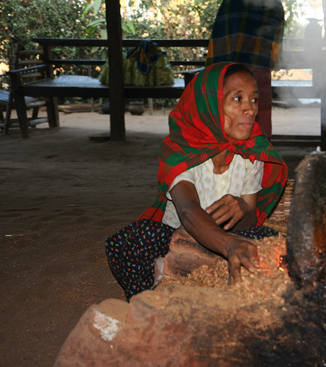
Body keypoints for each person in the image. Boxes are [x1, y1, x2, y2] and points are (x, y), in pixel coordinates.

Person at [105, 62, 289, 300]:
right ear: (209, 105)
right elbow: (189, 211)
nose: (250, 110)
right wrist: (229, 246)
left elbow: (250, 224)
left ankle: (190, 274)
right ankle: (162, 285)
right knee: (136, 237)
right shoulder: (181, 151)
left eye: (254, 100)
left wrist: (243, 209)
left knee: (277, 245)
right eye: (237, 99)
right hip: (177, 239)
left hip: (229, 240)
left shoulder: (252, 153)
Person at [205, 0, 285, 139]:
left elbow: (216, 37)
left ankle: (226, 156)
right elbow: (275, 49)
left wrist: (211, 68)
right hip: (257, 69)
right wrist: (272, 64)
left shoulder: (229, 3)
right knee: (257, 116)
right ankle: (259, 156)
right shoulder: (274, 4)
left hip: (224, 69)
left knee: (224, 114)